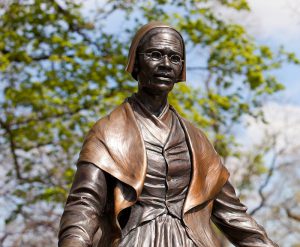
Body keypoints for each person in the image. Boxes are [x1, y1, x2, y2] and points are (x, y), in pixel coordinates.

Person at [58, 22, 278, 247]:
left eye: (174, 58)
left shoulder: (198, 141)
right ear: (136, 62)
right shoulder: (109, 132)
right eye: (155, 55)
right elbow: (84, 205)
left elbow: (234, 216)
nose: (165, 64)